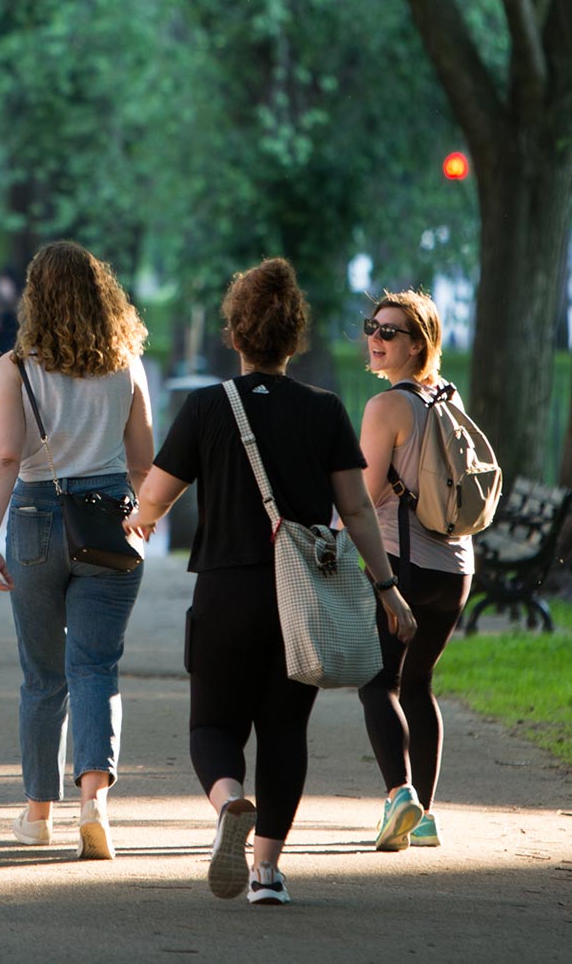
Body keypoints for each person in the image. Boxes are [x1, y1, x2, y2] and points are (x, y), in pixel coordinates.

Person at [128, 258, 416, 905]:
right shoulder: (324, 410)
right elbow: (358, 509)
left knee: (212, 726)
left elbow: (155, 499)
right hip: (301, 598)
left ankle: (230, 800)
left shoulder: (206, 407)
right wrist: (386, 585)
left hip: (225, 593)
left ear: (234, 334)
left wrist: (137, 521)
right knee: (285, 731)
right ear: (295, 338)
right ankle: (267, 871)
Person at [0, 242, 154, 859]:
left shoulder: (14, 367)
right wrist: (144, 518)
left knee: (42, 676)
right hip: (108, 521)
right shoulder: (127, 362)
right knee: (97, 667)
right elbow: (143, 459)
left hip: (33, 520)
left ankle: (37, 812)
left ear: (35, 298)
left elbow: (2, 455)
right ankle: (94, 802)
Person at [353, 289, 473, 852]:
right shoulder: (448, 398)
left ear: (417, 345)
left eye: (388, 332)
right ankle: (424, 816)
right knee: (419, 684)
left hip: (402, 566)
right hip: (455, 571)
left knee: (379, 683)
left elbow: (365, 494)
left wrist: (324, 532)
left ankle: (399, 794)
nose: (374, 339)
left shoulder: (386, 408)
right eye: (372, 327)